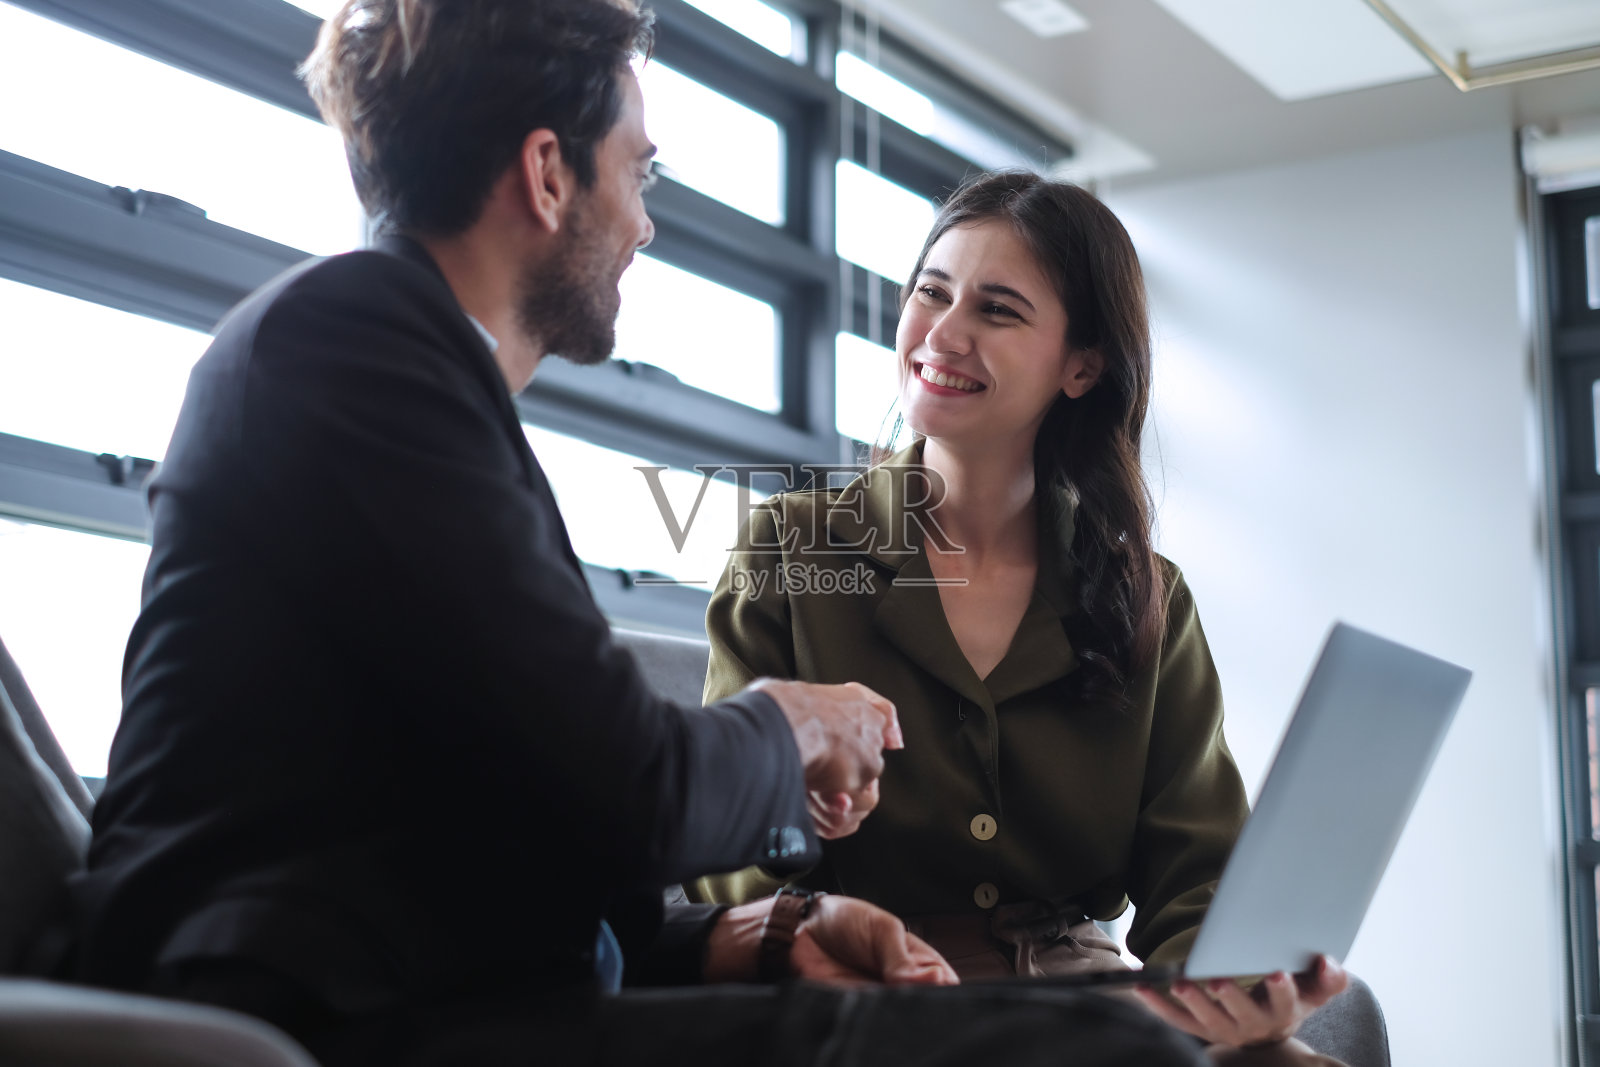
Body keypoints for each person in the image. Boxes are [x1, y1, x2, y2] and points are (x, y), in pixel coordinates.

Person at [68, 2, 1219, 1064]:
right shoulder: (351, 349)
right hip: (313, 1000)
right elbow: (630, 790)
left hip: (432, 979)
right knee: (1112, 1055)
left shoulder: (413, 382)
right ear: (546, 175)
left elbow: (547, 810)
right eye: (639, 170)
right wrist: (793, 721)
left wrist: (759, 936)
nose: (646, 222)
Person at [690, 171, 1349, 1056]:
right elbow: (723, 862)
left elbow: (1197, 872)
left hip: (1088, 992)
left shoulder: (1147, 594)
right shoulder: (789, 548)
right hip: (877, 989)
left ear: (1082, 366)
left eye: (997, 310)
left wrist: (1233, 988)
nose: (943, 333)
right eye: (932, 292)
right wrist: (793, 816)